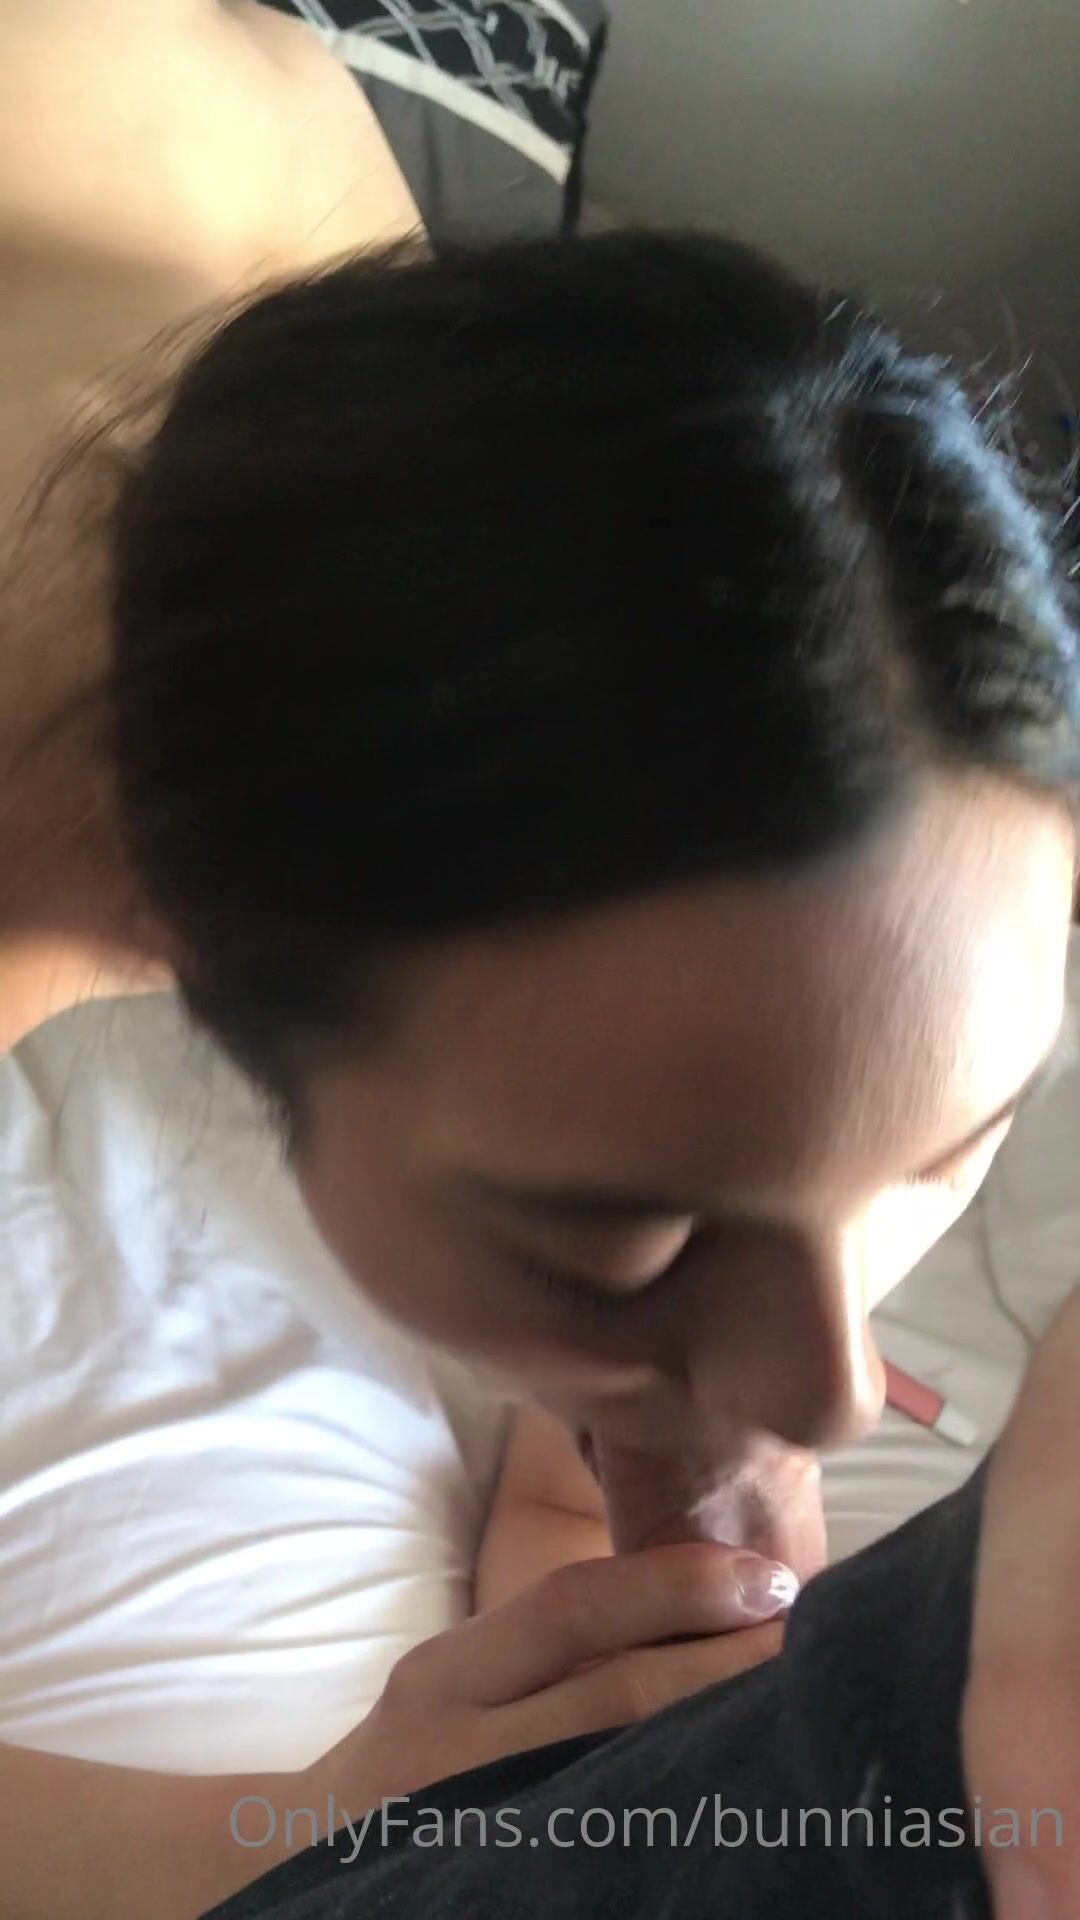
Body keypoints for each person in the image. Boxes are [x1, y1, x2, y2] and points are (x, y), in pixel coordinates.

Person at [2, 13, 1078, 1920]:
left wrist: (622, 1427)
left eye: (948, 1144)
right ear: (224, 972)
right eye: (616, 1239)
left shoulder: (252, 197)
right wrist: (299, 1830)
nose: (836, 1394)